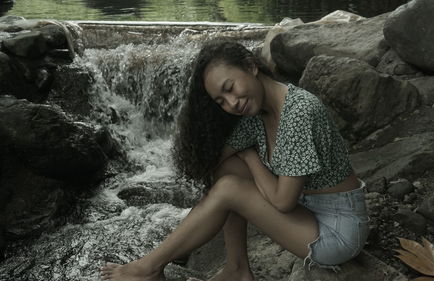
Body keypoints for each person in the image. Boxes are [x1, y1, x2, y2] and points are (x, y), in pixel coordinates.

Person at [100, 39, 369, 281]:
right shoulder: (258, 112)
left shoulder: (298, 111)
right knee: (228, 170)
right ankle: (237, 268)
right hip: (308, 210)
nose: (232, 103)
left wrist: (251, 156)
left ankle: (150, 266)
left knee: (230, 186)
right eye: (221, 101)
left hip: (337, 230)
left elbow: (282, 202)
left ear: (251, 66)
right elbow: (218, 160)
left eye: (230, 88)